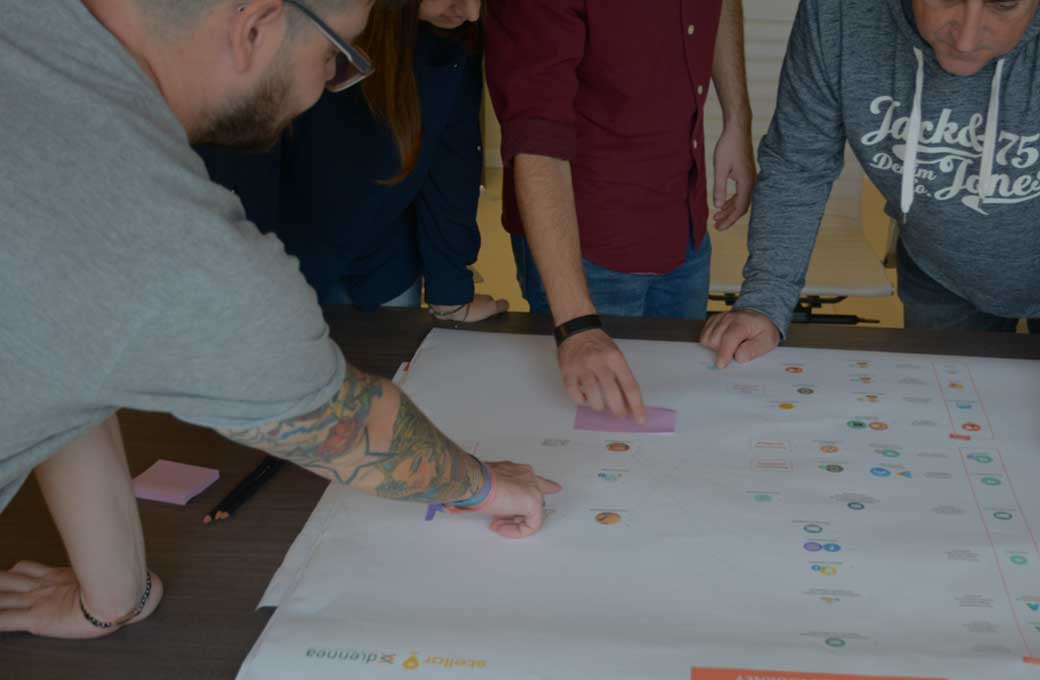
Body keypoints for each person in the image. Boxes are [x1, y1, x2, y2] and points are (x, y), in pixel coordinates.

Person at [0, 0, 558, 640]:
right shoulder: (164, 231)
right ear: (254, 28)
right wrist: (485, 486)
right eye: (337, 55)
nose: (332, 81)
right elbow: (354, 430)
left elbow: (68, 360)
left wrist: (115, 596)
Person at [702, 0, 1040, 482]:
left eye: (1004, 5)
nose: (966, 36)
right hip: (939, 272)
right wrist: (765, 299)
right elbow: (799, 163)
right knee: (944, 458)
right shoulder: (840, 12)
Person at [484, 0, 756, 423]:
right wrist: (577, 326)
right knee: (597, 429)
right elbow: (536, 141)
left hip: (682, 218)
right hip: (588, 242)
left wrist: (738, 118)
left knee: (676, 412)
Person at [201, 0, 507, 320]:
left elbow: (453, 162)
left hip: (383, 264)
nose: (472, 13)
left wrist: (451, 289)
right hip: (280, 261)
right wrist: (252, 292)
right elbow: (243, 171)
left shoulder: (453, 39)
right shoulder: (287, 31)